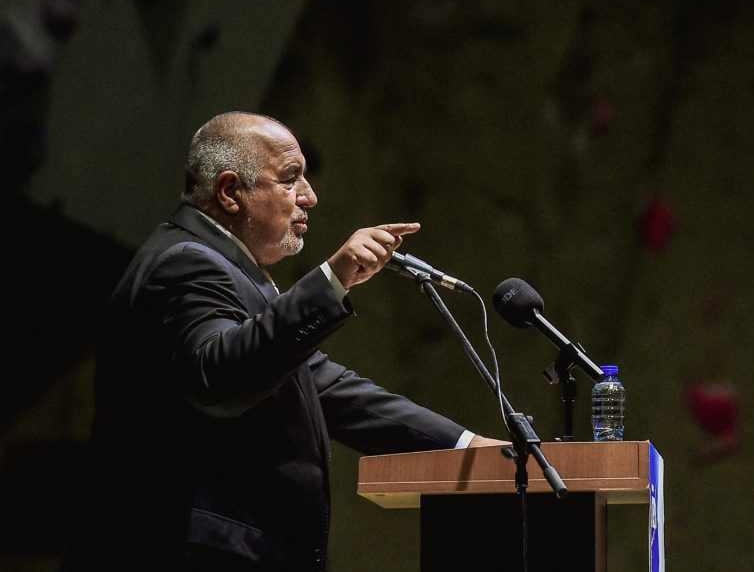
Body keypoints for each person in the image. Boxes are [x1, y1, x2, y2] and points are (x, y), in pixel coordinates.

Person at [61, 111, 504, 571]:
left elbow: (328, 389)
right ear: (231, 192)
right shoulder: (186, 264)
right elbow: (219, 376)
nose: (309, 197)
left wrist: (467, 447)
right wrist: (330, 281)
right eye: (291, 179)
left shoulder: (219, 266)